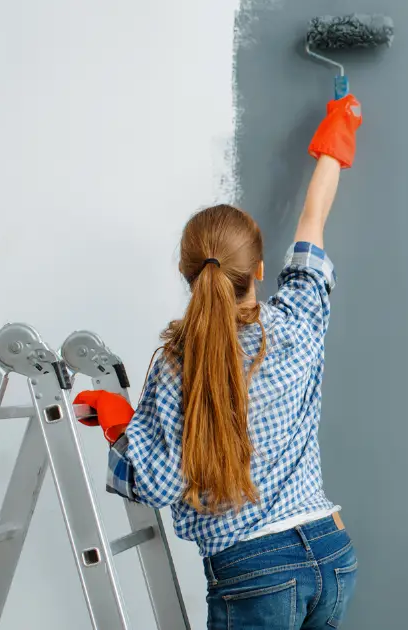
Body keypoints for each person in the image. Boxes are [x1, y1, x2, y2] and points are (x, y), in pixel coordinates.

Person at [72, 93, 364, 629]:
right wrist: (337, 138)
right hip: (331, 553)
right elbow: (313, 221)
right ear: (258, 266)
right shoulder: (300, 320)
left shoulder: (181, 364)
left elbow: (155, 483)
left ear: (189, 275)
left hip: (256, 572)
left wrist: (119, 427)